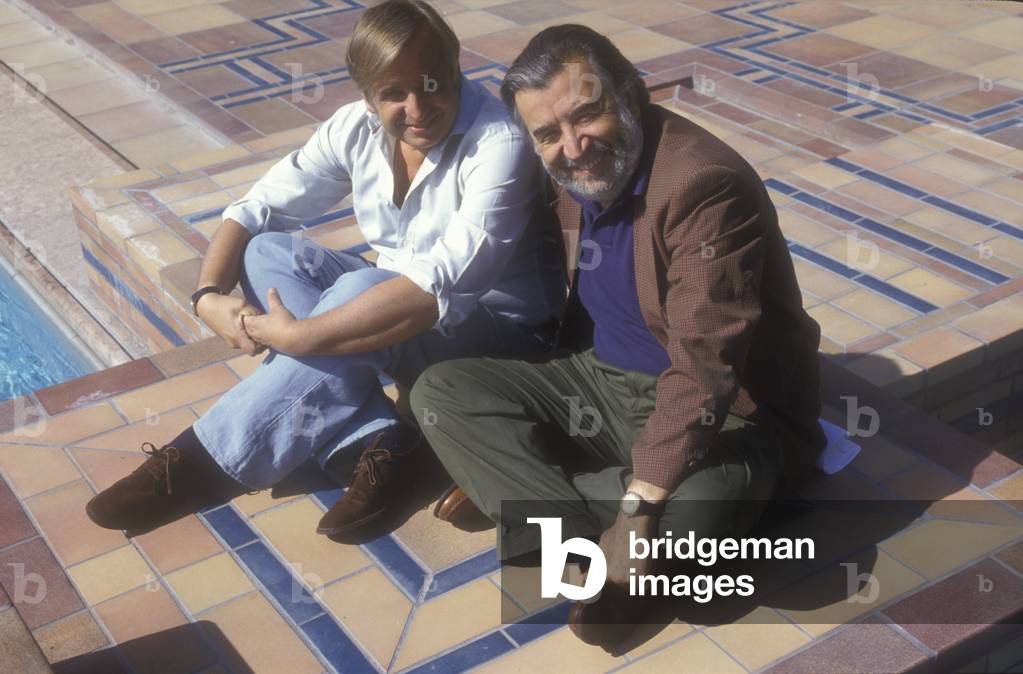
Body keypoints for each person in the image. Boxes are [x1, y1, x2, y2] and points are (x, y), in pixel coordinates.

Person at [85, 0, 564, 543]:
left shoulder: (496, 144)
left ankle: (197, 467)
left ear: (455, 68)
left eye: (434, 83)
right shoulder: (355, 129)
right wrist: (208, 295)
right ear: (366, 96)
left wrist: (301, 334)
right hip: (408, 312)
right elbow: (254, 209)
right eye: (393, 93)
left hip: (501, 339)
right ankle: (377, 442)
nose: (418, 107)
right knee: (267, 252)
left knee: (362, 287)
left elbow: (437, 287)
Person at [411, 24, 827, 646]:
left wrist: (636, 512)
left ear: (631, 93)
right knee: (442, 392)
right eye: (548, 133)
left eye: (588, 114)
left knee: (703, 518)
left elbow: (705, 370)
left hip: (724, 412)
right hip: (600, 380)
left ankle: (538, 504)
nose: (573, 147)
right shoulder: (571, 174)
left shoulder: (704, 185)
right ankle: (590, 528)